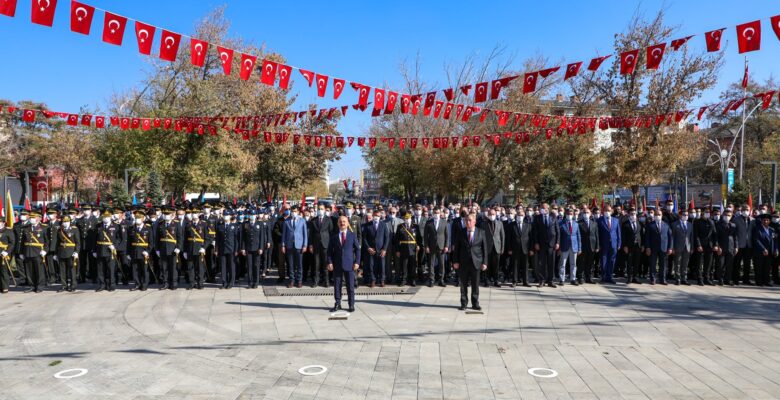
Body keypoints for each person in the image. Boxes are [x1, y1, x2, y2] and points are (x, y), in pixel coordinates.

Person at [452, 213, 488, 311]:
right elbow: (456, 249)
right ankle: (463, 303)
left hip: (476, 262)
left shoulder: (481, 232)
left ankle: (475, 303)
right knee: (463, 284)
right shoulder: (461, 232)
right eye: (466, 220)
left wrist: (484, 262)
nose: (467, 222)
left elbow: (484, 249)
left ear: (474, 222)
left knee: (475, 284)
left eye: (470, 220)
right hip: (463, 262)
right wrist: (455, 261)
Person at [327, 216, 360, 312]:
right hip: (337, 264)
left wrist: (357, 262)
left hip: (350, 264)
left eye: (344, 221)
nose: (342, 223)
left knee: (350, 286)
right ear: (338, 224)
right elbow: (329, 251)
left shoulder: (352, 235)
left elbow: (358, 249)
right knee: (337, 285)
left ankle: (351, 304)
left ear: (348, 223)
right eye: (340, 222)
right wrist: (329, 262)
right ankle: (337, 304)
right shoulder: (333, 236)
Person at [533, 203, 559, 288]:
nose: (543, 209)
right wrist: (536, 242)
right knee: (541, 263)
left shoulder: (553, 216)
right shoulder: (537, 217)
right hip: (541, 244)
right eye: (542, 207)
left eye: (545, 208)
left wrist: (557, 242)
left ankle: (550, 281)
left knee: (551, 263)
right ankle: (542, 280)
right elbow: (535, 231)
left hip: (552, 244)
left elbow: (557, 230)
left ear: (548, 208)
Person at [282, 205, 308, 288]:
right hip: (289, 245)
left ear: (298, 212)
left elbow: (305, 234)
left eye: (295, 211)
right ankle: (291, 280)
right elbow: (284, 235)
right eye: (292, 211)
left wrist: (305, 245)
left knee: (299, 264)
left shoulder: (302, 221)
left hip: (299, 245)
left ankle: (299, 280)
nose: (293, 213)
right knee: (291, 264)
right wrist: (283, 245)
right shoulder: (286, 221)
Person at [156, 208, 182, 290]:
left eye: (168, 214)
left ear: (171, 215)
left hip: (173, 249)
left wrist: (178, 247)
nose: (166, 216)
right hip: (163, 248)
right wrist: (157, 249)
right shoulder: (160, 224)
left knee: (173, 267)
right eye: (165, 214)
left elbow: (180, 237)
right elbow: (157, 238)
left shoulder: (176, 224)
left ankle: (173, 283)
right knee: (164, 267)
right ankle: (165, 283)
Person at [645, 210, 672, 285]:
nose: (658, 216)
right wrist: (648, 247)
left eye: (659, 214)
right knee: (653, 264)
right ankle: (653, 279)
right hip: (653, 248)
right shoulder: (650, 225)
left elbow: (670, 237)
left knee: (663, 264)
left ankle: (662, 279)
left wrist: (670, 247)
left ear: (662, 215)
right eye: (656, 214)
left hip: (663, 247)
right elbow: (647, 237)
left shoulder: (666, 225)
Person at [363, 209, 389, 288]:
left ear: (380, 216)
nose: (376, 217)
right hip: (372, 250)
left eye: (378, 216)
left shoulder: (383, 225)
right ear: (372, 216)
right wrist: (368, 248)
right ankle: (373, 280)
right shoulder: (368, 225)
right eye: (375, 216)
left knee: (382, 266)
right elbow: (364, 238)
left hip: (381, 249)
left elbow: (386, 238)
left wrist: (384, 249)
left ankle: (382, 280)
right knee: (371, 266)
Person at [507, 207, 532, 287]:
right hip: (515, 249)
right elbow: (509, 238)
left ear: (524, 215)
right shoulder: (511, 225)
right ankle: (514, 281)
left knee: (525, 265)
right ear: (516, 215)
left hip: (525, 248)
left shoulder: (528, 225)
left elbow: (531, 238)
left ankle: (526, 281)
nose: (520, 216)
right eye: (518, 215)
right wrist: (509, 248)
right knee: (515, 265)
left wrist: (531, 249)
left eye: (521, 215)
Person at [308, 203, 333, 287]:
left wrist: (331, 245)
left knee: (325, 264)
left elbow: (331, 233)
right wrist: (310, 245)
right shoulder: (313, 220)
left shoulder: (328, 220)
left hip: (326, 245)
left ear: (325, 209)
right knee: (316, 264)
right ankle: (316, 281)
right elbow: (310, 234)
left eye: (322, 209)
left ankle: (326, 281)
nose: (320, 210)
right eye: (319, 209)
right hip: (316, 245)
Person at [479, 208, 504, 287]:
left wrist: (502, 248)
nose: (492, 216)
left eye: (493, 214)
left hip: (497, 247)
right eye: (490, 214)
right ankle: (487, 280)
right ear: (488, 215)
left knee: (496, 265)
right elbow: (481, 237)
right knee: (487, 265)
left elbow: (502, 236)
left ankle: (496, 280)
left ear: (496, 215)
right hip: (487, 248)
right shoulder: (484, 224)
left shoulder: (500, 223)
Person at [128, 210, 153, 291]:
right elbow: (129, 242)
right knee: (135, 269)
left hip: (144, 252)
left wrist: (148, 251)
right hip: (134, 252)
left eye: (139, 218)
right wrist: (128, 253)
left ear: (143, 219)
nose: (137, 219)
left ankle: (145, 284)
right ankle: (137, 284)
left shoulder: (148, 228)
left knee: (144, 269)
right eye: (136, 218)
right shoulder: (131, 228)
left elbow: (151, 242)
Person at [424, 207, 449, 287]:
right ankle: (431, 280)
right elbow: (425, 236)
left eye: (438, 213)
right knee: (431, 263)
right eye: (435, 213)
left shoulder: (444, 222)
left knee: (442, 264)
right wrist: (426, 246)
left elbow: (447, 235)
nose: (437, 214)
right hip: (431, 246)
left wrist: (446, 246)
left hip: (441, 246)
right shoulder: (429, 222)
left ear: (440, 213)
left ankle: (441, 280)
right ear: (433, 213)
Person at [55, 215, 80, 292]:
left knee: (72, 270)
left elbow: (78, 242)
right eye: (64, 222)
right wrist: (56, 253)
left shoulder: (74, 230)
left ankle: (73, 285)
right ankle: (64, 285)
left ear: (70, 222)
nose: (65, 223)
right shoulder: (60, 230)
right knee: (62, 270)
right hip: (62, 251)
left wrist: (76, 252)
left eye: (67, 222)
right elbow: (57, 243)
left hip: (71, 252)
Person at [394, 212, 421, 286]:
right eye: (406, 218)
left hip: (413, 248)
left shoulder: (415, 226)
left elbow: (419, 238)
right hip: (403, 248)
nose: (407, 219)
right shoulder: (400, 226)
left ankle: (412, 280)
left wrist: (418, 245)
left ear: (411, 218)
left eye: (408, 218)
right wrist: (397, 250)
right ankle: (404, 280)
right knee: (404, 265)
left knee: (412, 265)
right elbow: (396, 240)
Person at [184, 208, 208, 290]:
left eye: (195, 213)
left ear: (198, 214)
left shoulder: (204, 224)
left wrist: (204, 247)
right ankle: (191, 283)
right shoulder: (188, 225)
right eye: (192, 213)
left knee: (200, 267)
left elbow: (208, 238)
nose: (193, 214)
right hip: (190, 248)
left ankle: (200, 283)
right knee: (190, 267)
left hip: (199, 248)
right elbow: (185, 239)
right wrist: (185, 251)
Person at [241, 209, 265, 289]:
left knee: (256, 265)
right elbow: (243, 238)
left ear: (256, 215)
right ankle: (250, 282)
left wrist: (261, 247)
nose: (252, 216)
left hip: (257, 248)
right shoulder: (246, 224)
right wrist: (243, 248)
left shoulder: (260, 224)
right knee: (249, 265)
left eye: (253, 215)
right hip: (248, 248)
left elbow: (262, 237)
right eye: (250, 215)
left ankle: (256, 282)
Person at [597, 205, 621, 284]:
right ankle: (603, 277)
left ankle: (609, 276)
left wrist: (619, 243)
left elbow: (618, 233)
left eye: (609, 210)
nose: (607, 212)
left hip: (614, 244)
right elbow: (598, 234)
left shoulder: (616, 220)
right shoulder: (599, 220)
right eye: (606, 210)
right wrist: (598, 244)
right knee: (604, 260)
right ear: (603, 211)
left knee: (612, 261)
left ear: (612, 211)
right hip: (603, 244)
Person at [752, 213, 777, 286]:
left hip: (769, 251)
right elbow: (756, 240)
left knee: (767, 267)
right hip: (759, 251)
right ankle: (759, 281)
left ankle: (766, 281)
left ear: (769, 221)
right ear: (761, 221)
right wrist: (763, 249)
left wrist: (776, 249)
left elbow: (774, 240)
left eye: (767, 220)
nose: (766, 221)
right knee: (759, 267)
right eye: (764, 220)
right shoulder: (757, 228)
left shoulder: (772, 229)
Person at [714, 209, 738, 286]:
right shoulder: (718, 225)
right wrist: (718, 246)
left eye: (729, 215)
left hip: (731, 247)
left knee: (729, 265)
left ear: (731, 216)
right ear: (722, 216)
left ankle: (727, 279)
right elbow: (716, 237)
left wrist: (736, 247)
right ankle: (720, 279)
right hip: (721, 247)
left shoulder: (733, 225)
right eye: (725, 215)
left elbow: (735, 237)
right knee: (720, 264)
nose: (727, 217)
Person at [558, 208, 581, 286]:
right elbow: (559, 237)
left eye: (571, 214)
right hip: (564, 246)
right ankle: (562, 279)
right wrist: (559, 247)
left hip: (574, 246)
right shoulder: (561, 223)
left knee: (573, 264)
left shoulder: (576, 224)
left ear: (573, 214)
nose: (569, 215)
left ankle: (573, 279)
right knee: (562, 264)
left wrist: (579, 248)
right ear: (565, 214)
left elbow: (578, 237)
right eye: (568, 214)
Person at [216, 210, 239, 289]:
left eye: (227, 215)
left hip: (231, 249)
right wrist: (216, 249)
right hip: (222, 249)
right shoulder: (220, 226)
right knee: (223, 266)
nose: (225, 217)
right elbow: (217, 239)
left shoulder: (234, 226)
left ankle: (231, 282)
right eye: (224, 215)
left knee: (231, 266)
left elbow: (236, 239)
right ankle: (224, 282)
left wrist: (236, 250)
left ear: (230, 216)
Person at [671, 209, 694, 285]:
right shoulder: (674, 224)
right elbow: (672, 237)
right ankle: (678, 279)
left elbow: (691, 237)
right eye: (684, 215)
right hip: (677, 246)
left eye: (687, 215)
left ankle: (684, 278)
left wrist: (691, 247)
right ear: (680, 215)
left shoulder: (690, 224)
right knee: (677, 263)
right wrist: (672, 247)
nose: (686, 216)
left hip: (687, 247)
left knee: (685, 263)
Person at [733, 205, 755, 285]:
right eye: (744, 209)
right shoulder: (736, 220)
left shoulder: (753, 220)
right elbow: (734, 233)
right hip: (739, 245)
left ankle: (746, 279)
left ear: (750, 211)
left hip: (748, 245)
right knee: (737, 263)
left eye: (747, 209)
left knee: (747, 264)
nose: (746, 211)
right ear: (741, 210)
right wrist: (736, 245)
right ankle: (736, 279)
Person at [578, 207, 599, 284]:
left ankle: (589, 277)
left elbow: (596, 235)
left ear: (590, 214)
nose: (586, 214)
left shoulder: (594, 223)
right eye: (584, 213)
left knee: (590, 263)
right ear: (582, 214)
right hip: (583, 246)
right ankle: (580, 277)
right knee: (581, 262)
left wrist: (597, 246)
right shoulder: (579, 223)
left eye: (587, 213)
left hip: (592, 246)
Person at [621, 208, 642, 284]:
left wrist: (642, 245)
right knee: (629, 262)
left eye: (634, 214)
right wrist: (625, 246)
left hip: (638, 245)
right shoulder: (625, 224)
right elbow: (623, 236)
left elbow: (641, 234)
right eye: (631, 214)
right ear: (629, 215)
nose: (633, 215)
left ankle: (635, 277)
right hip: (629, 246)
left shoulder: (639, 222)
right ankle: (629, 277)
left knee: (637, 262)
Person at [0, 217, 15, 293]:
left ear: (3, 223)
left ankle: (5, 286)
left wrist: (7, 251)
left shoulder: (8, 231)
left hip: (4, 253)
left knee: (4, 270)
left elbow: (12, 243)